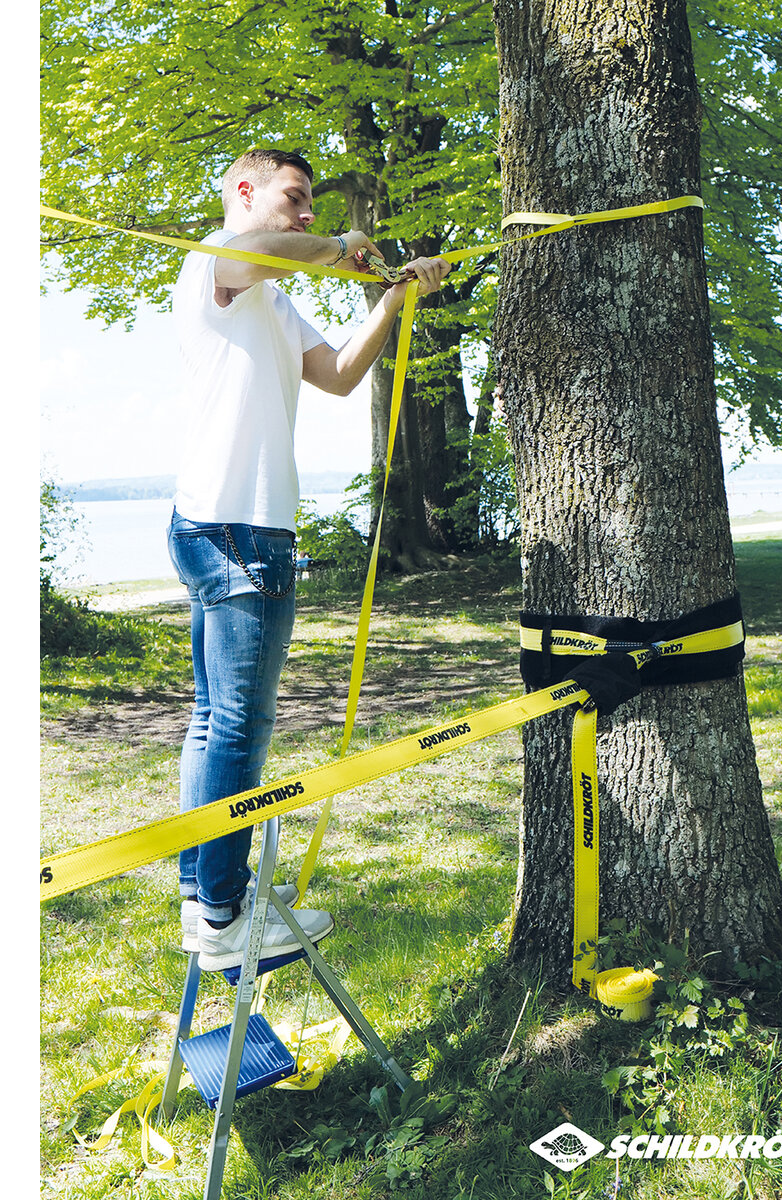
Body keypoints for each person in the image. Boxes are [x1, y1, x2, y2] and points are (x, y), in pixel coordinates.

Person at [167, 147, 451, 971]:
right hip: (236, 530)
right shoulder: (217, 265)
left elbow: (338, 375)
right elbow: (257, 253)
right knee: (238, 731)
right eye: (293, 200)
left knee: (211, 723)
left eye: (308, 204)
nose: (302, 215)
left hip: (229, 527)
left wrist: (393, 292)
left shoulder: (272, 298)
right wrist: (339, 244)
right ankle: (223, 918)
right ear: (244, 193)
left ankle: (207, 895)